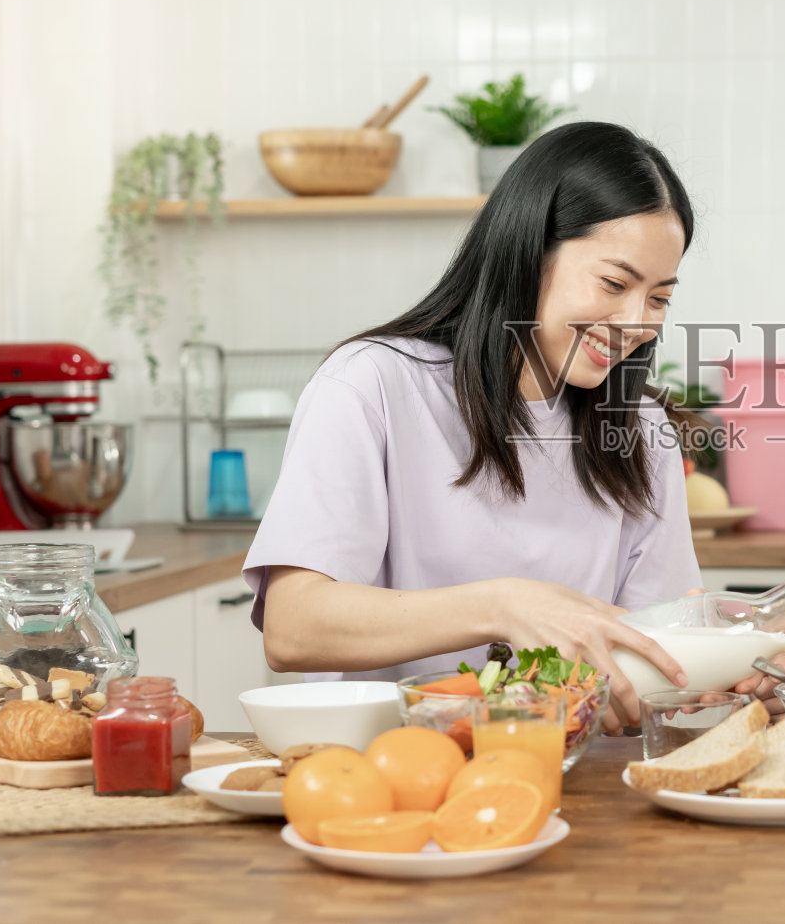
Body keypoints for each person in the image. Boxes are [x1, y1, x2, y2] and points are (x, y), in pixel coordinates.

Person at [242, 121, 705, 730]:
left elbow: (655, 664)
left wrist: (718, 667)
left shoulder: (641, 429)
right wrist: (503, 605)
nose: (635, 321)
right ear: (528, 250)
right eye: (614, 283)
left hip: (573, 778)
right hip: (388, 777)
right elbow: (294, 626)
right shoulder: (373, 384)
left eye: (659, 298)